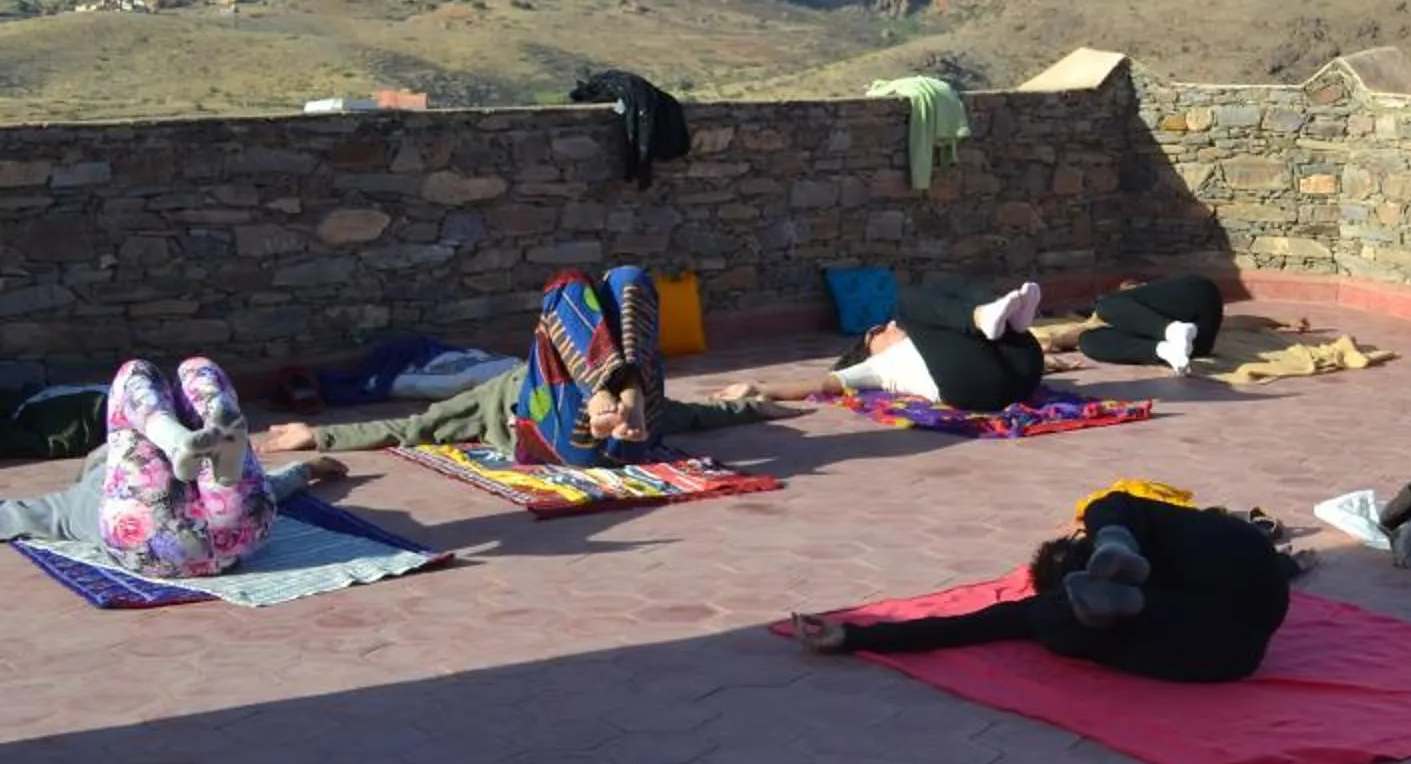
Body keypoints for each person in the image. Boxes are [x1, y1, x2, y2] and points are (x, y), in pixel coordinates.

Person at [261, 265, 781, 459]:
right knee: (616, 279)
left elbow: (416, 428)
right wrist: (320, 437)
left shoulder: (506, 383)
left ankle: (613, 392)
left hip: (609, 430)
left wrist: (760, 406)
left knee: (579, 282)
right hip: (604, 430)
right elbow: (416, 427)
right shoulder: (505, 385)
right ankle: (620, 391)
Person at [790, 488, 1303, 683]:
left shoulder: (1046, 606)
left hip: (1226, 656)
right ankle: (1117, 540)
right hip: (1252, 582)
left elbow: (970, 625)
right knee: (1119, 504)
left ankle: (1127, 593)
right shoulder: (1156, 532)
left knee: (1053, 627)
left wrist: (855, 636)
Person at [4, 358, 337, 579]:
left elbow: (15, 514)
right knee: (191, 368)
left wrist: (307, 472)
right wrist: (307, 470)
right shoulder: (89, 488)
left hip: (156, 548)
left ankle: (175, 437)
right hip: (238, 536)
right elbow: (274, 485)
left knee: (135, 374)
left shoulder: (76, 500)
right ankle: (207, 420)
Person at [825, 275, 1050, 413]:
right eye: (879, 331)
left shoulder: (932, 338)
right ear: (870, 348)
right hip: (974, 385)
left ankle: (1006, 319)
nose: (891, 325)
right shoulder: (877, 366)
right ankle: (983, 317)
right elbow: (828, 382)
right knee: (905, 302)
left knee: (950, 285)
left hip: (1025, 370)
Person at [1075, 274, 1227, 374]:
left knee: (1106, 305)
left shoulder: (1142, 297)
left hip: (1199, 298)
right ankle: (1166, 351)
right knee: (1087, 341)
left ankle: (1172, 331)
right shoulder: (1123, 318)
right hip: (1197, 345)